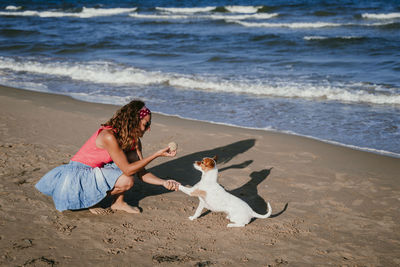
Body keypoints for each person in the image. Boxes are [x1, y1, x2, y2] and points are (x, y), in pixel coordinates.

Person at [35, 100, 180, 214]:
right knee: (127, 179)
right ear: (133, 121)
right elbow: (129, 171)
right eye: (145, 124)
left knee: (129, 165)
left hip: (97, 170)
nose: (148, 128)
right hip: (78, 175)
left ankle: (118, 202)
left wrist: (164, 182)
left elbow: (141, 171)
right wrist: (156, 154)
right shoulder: (109, 136)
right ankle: (90, 200)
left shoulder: (134, 140)